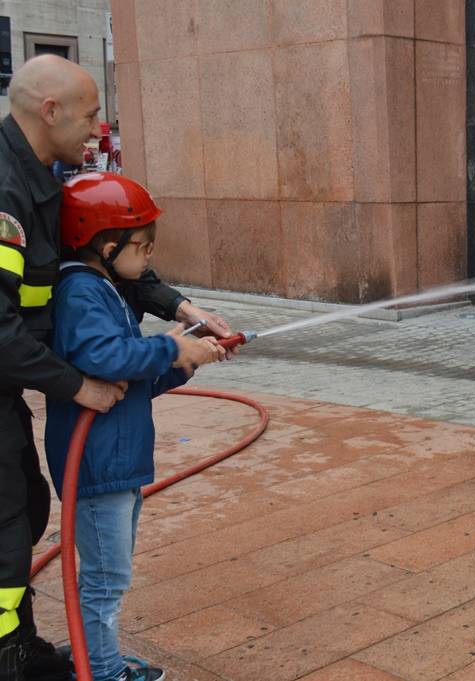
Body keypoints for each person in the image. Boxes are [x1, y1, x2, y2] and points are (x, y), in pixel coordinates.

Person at [0, 55, 224, 681]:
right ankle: (29, 660)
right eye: (93, 114)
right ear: (51, 111)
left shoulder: (46, 180)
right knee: (14, 529)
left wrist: (184, 322)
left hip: (29, 397)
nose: (100, 130)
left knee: (24, 510)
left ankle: (23, 648)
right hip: (37, 402)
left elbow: (108, 256)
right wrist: (83, 383)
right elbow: (12, 331)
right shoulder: (6, 192)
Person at [45, 172, 225, 681]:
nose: (148, 259)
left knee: (108, 576)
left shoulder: (106, 286)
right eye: (143, 247)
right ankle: (102, 671)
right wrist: (171, 346)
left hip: (116, 465)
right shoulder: (82, 291)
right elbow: (102, 355)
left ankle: (97, 657)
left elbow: (129, 377)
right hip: (100, 468)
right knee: (105, 579)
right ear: (106, 245)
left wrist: (188, 361)